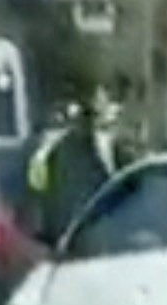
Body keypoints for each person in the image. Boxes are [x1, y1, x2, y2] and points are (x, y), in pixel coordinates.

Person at [26, 97, 109, 247]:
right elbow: (43, 191)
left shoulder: (91, 148)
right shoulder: (64, 151)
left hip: (82, 226)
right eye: (82, 121)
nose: (86, 126)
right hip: (71, 228)